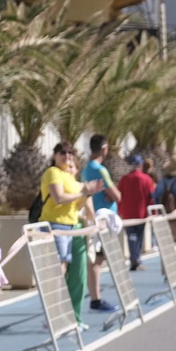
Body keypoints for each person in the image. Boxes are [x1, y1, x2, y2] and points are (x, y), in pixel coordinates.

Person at [42, 142, 102, 327]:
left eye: (71, 153)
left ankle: (72, 318)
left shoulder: (71, 179)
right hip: (56, 226)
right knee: (59, 271)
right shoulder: (53, 172)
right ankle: (54, 317)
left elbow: (79, 208)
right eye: (63, 152)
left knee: (77, 275)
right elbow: (58, 198)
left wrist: (88, 194)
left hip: (73, 227)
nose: (67, 156)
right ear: (55, 155)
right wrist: (83, 191)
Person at [80, 134, 122, 315]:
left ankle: (95, 298)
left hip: (92, 218)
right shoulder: (100, 169)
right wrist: (112, 194)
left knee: (95, 260)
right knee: (97, 260)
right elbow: (117, 195)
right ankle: (95, 300)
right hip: (102, 221)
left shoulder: (85, 169)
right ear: (104, 148)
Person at [118, 154, 156, 271]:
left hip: (127, 213)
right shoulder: (147, 179)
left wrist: (120, 210)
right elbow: (151, 197)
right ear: (141, 165)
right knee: (138, 236)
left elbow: (119, 196)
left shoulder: (124, 179)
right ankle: (136, 258)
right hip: (141, 213)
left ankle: (134, 257)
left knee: (131, 236)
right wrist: (153, 212)